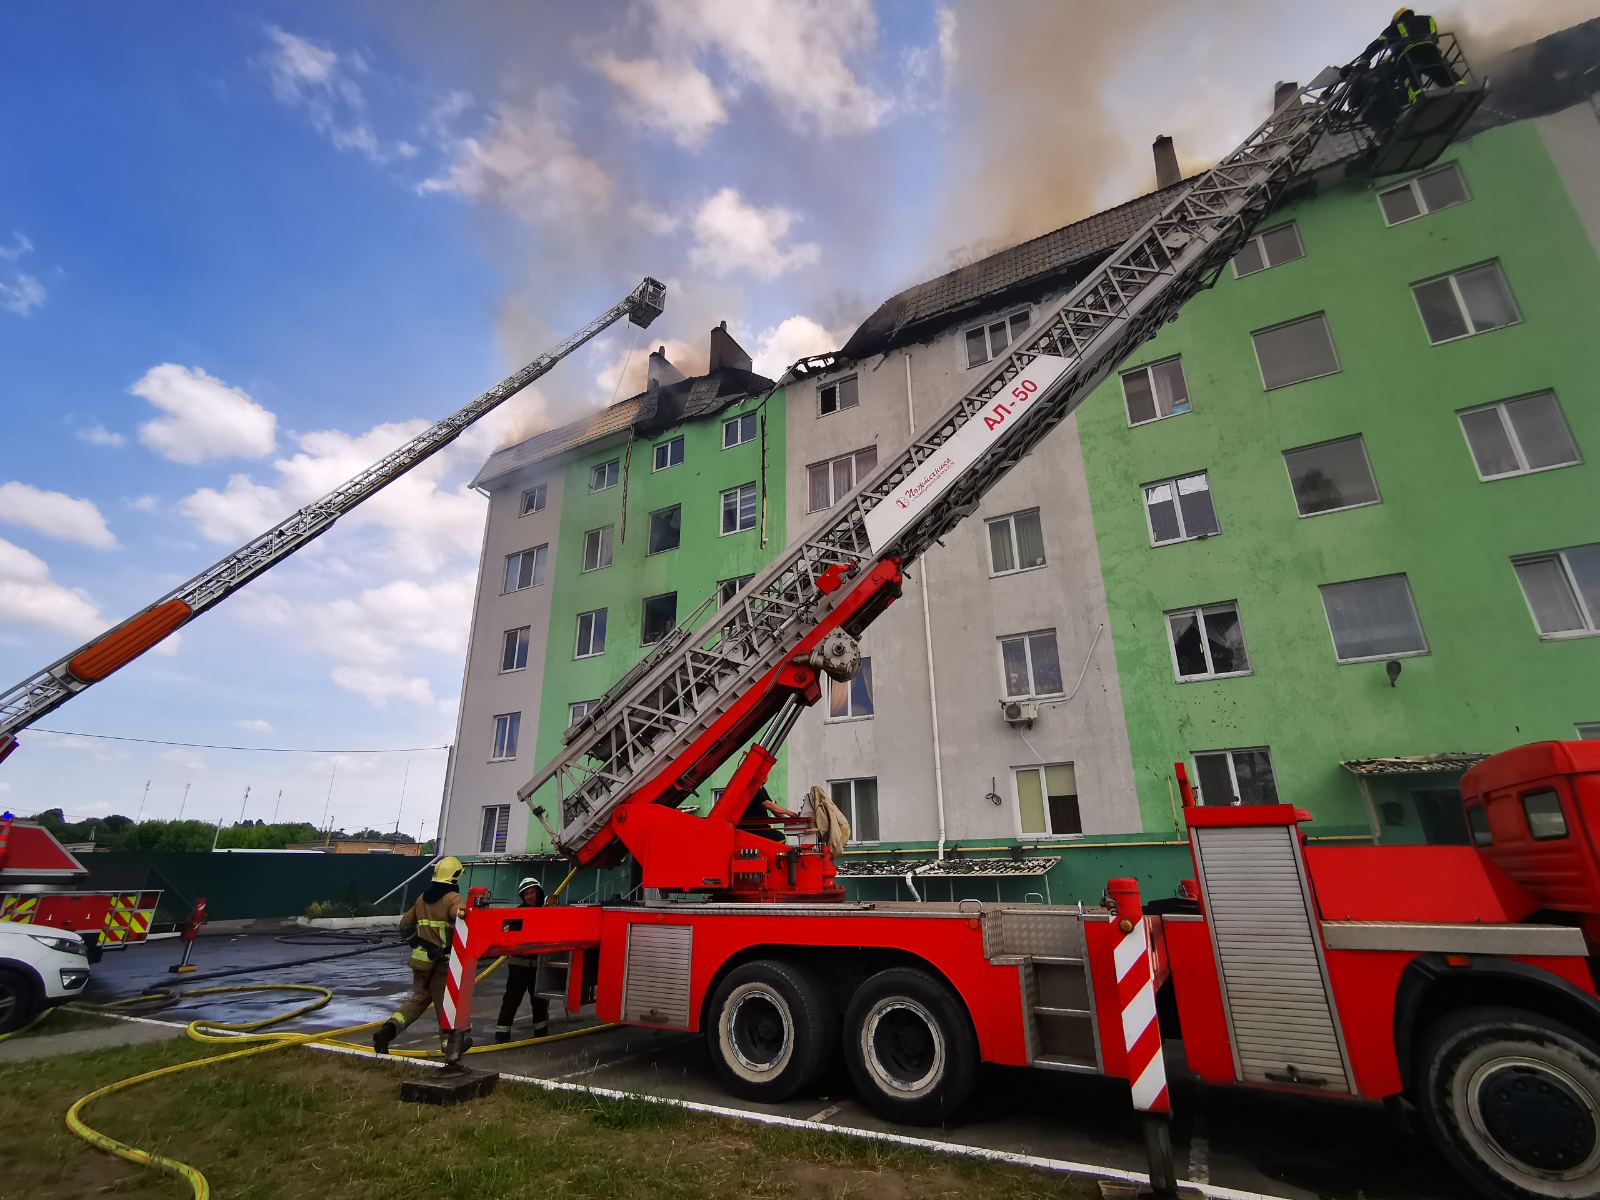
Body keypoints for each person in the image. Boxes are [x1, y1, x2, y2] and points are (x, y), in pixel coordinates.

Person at [373, 855, 465, 1054]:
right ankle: (449, 1048)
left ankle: (387, 1031)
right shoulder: (452, 899)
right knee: (445, 1005)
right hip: (442, 962)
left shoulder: (422, 898)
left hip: (421, 959)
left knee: (418, 1000)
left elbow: (405, 925)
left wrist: (415, 942)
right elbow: (462, 917)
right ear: (454, 876)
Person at [495, 877, 551, 1043]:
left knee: (540, 1000)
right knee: (512, 999)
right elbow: (507, 935)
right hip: (519, 965)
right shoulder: (517, 914)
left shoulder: (546, 912)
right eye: (526, 894)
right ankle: (502, 1034)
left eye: (532, 892)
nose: (529, 896)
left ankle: (541, 1034)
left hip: (539, 965)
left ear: (538, 893)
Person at [1363, 8, 1456, 99]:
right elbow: (1435, 39)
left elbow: (1376, 45)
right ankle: (1458, 86)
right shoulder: (1428, 19)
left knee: (1410, 78)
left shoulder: (1395, 26)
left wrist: (1364, 61)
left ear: (1396, 19)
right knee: (1442, 72)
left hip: (1409, 55)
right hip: (1431, 51)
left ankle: (1418, 98)